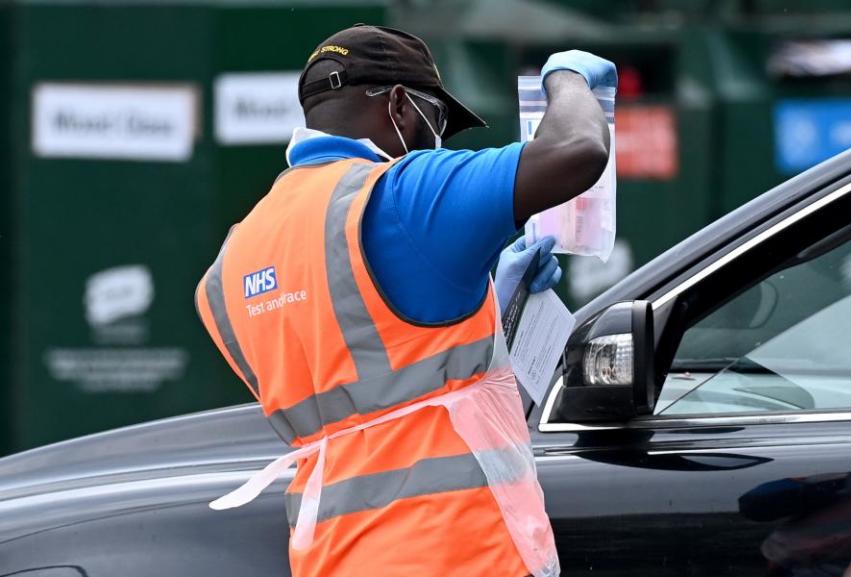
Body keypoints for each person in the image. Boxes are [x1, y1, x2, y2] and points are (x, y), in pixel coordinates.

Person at [195, 23, 614, 577]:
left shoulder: (231, 264)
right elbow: (575, 149)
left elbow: (372, 383)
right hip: (461, 552)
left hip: (333, 557)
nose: (439, 141)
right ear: (399, 105)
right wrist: (568, 80)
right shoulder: (402, 194)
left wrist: (488, 307)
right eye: (437, 121)